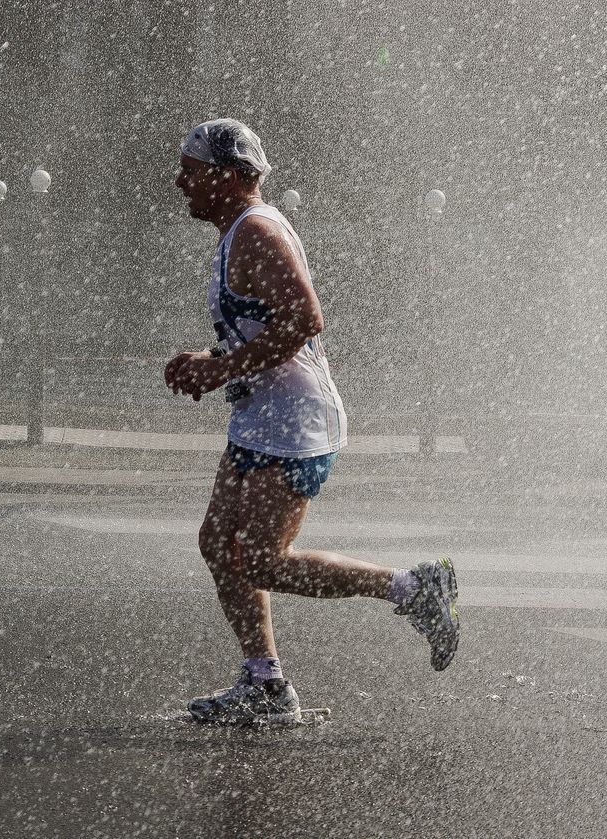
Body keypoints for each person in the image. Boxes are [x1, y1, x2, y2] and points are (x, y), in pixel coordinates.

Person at [164, 118, 459, 726]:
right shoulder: (236, 233)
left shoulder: (256, 232)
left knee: (265, 560)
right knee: (219, 544)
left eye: (191, 173)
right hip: (259, 417)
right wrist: (214, 361)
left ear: (227, 176)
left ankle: (412, 588)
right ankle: (264, 684)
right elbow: (264, 326)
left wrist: (219, 371)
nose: (180, 182)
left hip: (296, 424)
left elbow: (304, 320)